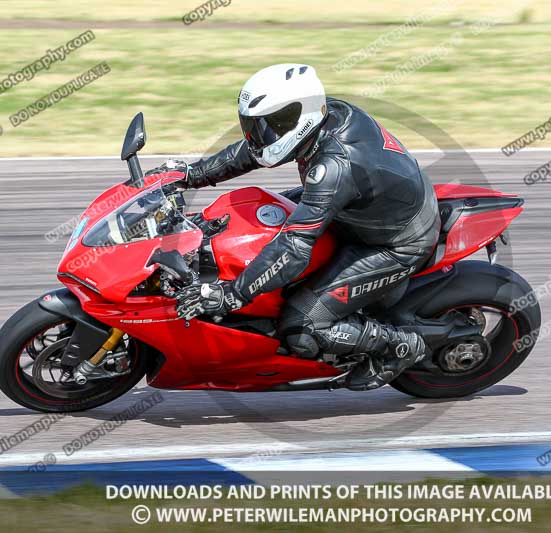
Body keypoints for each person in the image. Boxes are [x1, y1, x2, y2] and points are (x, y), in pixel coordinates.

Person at [173, 63, 440, 390]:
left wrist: (232, 296)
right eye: (254, 126)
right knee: (250, 222)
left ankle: (398, 346)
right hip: (358, 208)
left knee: (302, 325)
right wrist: (193, 175)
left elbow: (294, 248)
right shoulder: (323, 119)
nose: (258, 136)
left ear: (299, 117)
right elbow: (255, 150)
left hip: (395, 243)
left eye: (268, 126)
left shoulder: (332, 167)